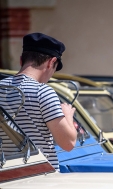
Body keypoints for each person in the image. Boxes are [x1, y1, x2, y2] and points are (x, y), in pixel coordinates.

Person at [0, 32, 77, 170]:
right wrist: (68, 116)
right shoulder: (42, 91)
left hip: (5, 178)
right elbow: (68, 143)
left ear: (21, 60)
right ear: (51, 62)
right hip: (38, 178)